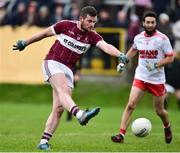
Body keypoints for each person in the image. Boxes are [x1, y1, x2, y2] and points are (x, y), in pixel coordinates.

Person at [12, 6, 128, 150]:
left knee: (59, 108)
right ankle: (80, 115)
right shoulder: (66, 25)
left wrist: (120, 55)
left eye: (94, 22)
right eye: (90, 21)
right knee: (63, 91)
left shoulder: (92, 35)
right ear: (81, 19)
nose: (92, 25)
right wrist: (25, 42)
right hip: (53, 62)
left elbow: (106, 46)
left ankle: (43, 142)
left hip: (69, 70)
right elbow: (44, 33)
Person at [112, 11, 174, 144]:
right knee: (130, 105)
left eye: (152, 22)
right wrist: (123, 62)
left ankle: (167, 127)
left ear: (155, 23)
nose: (150, 25)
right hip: (141, 77)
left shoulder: (163, 39)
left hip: (157, 80)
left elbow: (170, 57)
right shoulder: (138, 38)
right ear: (143, 23)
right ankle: (121, 135)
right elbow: (133, 50)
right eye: (148, 22)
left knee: (159, 111)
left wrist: (157, 64)